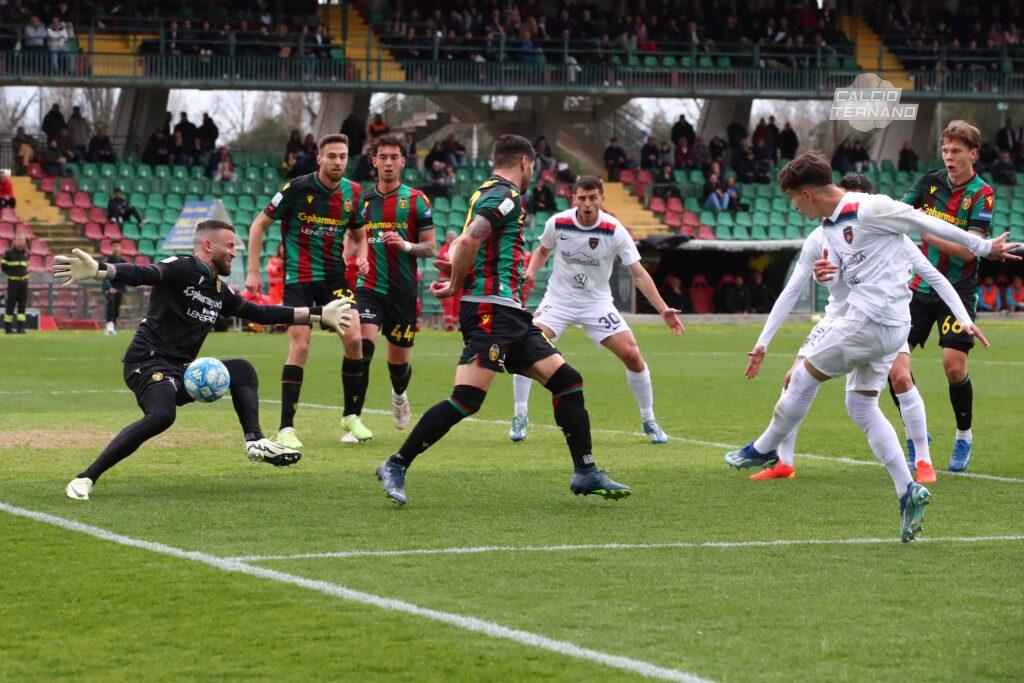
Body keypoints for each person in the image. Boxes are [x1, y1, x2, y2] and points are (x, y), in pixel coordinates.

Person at [725, 152, 1017, 542]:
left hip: (870, 322)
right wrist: (831, 276)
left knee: (802, 376)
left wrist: (980, 247)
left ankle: (765, 447)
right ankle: (907, 490)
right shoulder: (829, 228)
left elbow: (923, 221)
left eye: (793, 198)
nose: (793, 206)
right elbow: (846, 275)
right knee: (860, 405)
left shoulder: (869, 208)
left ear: (807, 194)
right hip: (888, 328)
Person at [375, 135, 633, 506]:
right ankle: (396, 463)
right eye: (534, 166)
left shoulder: (485, 191)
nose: (533, 173)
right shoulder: (507, 196)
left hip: (509, 313)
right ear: (525, 162)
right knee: (467, 399)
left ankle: (586, 471)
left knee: (568, 382)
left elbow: (468, 245)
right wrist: (457, 284)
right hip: (489, 311)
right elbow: (467, 241)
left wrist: (459, 273)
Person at [55, 220, 354, 501]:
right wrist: (102, 270)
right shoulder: (183, 267)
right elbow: (145, 273)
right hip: (146, 362)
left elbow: (261, 314)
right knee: (162, 415)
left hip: (178, 369)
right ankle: (86, 477)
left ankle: (255, 441)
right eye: (230, 246)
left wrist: (318, 314)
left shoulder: (218, 289)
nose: (234, 253)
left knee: (242, 370)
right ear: (209, 245)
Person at [744, 173, 985, 483]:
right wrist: (765, 339)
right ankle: (783, 461)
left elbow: (933, 274)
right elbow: (796, 288)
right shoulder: (822, 234)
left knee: (899, 377)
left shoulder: (886, 232)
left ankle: (923, 460)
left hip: (881, 317)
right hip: (838, 319)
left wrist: (964, 316)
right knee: (798, 379)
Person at [508, 174, 683, 443]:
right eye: (582, 198)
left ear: (602, 199)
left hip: (596, 304)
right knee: (526, 346)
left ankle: (649, 419)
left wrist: (663, 309)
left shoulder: (614, 230)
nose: (587, 203)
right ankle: (520, 414)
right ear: (574, 199)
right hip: (559, 301)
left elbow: (638, 274)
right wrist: (531, 271)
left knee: (633, 355)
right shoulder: (558, 222)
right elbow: (543, 250)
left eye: (593, 198)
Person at [245, 134, 371, 447]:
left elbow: (360, 234)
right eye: (332, 156)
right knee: (300, 347)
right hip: (298, 279)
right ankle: (286, 428)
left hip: (334, 279)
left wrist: (363, 256)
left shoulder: (353, 192)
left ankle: (351, 416)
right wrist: (253, 271)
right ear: (319, 159)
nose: (338, 162)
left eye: (343, 156)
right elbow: (258, 225)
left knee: (355, 339)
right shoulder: (296, 188)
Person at [889, 121, 996, 472]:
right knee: (892, 365)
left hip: (958, 291)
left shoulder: (982, 194)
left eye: (957, 151)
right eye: (946, 150)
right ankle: (915, 431)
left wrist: (927, 232)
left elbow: (969, 250)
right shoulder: (929, 182)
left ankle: (964, 435)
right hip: (919, 288)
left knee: (954, 367)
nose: (949, 157)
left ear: (973, 154)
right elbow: (898, 214)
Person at [352, 135, 436, 432]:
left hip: (402, 290)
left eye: (394, 157)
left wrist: (406, 245)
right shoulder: (361, 201)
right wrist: (355, 258)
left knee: (398, 364)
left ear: (403, 161)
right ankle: (354, 419)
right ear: (374, 161)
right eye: (383, 157)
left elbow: (430, 247)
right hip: (368, 287)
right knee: (362, 348)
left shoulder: (416, 200)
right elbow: (352, 240)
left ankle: (399, 395)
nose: (388, 162)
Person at [2, 234, 29, 334]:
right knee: (10, 305)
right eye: (18, 239)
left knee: (22, 306)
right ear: (15, 241)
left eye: (22, 240)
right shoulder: (8, 253)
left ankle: (20, 328)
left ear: (24, 242)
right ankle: (8, 328)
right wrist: (12, 274)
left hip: (24, 284)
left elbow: (26, 267)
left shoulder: (26, 253)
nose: (20, 241)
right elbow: (3, 267)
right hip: (13, 283)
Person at [104, 241, 127, 334]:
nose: (116, 248)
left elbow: (126, 276)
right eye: (114, 246)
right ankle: (109, 325)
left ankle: (113, 326)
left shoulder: (123, 262)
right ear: (111, 248)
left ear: (120, 248)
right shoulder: (107, 260)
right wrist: (109, 287)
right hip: (110, 288)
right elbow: (104, 276)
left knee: (117, 307)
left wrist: (122, 290)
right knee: (110, 304)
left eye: (118, 246)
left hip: (119, 289)